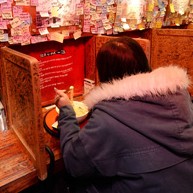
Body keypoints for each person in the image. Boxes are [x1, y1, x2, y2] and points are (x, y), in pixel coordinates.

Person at [54, 36, 193, 193]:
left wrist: (66, 111)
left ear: (104, 73)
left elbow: (74, 163)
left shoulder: (107, 119)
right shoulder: (180, 96)